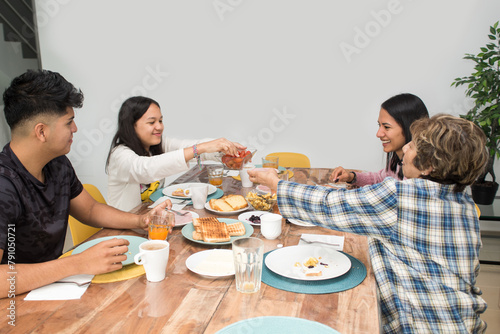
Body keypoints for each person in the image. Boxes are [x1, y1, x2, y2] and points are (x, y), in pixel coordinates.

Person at [249, 114, 488, 333]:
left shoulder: (401, 197)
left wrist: (277, 184)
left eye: (413, 146)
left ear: (428, 166)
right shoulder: (462, 198)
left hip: (419, 323)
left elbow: (330, 204)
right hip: (462, 318)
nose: (405, 147)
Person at [0, 70, 171, 298]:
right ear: (41, 131)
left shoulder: (57, 164)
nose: (75, 129)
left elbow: (90, 209)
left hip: (55, 288)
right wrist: (77, 263)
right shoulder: (4, 185)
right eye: (69, 122)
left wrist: (141, 220)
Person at [106, 96, 245, 211]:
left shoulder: (156, 144)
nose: (159, 126)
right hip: (125, 229)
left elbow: (188, 148)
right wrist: (201, 147)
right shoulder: (119, 155)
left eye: (160, 120)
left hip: (154, 219)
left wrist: (224, 151)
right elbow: (146, 169)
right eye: (151, 122)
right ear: (131, 125)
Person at [330, 93, 429, 186]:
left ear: (410, 127)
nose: (378, 134)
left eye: (386, 127)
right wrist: (351, 177)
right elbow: (379, 178)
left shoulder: (416, 172)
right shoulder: (397, 162)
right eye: (379, 125)